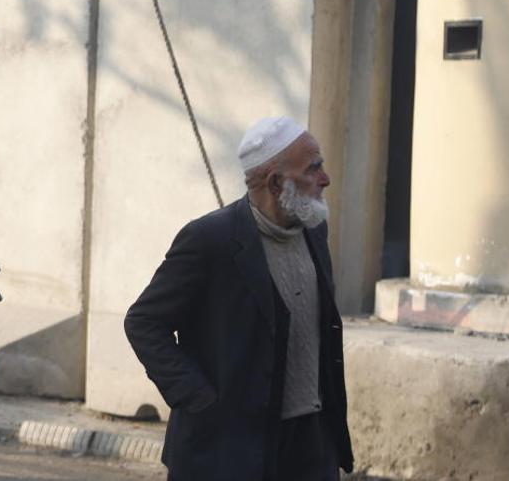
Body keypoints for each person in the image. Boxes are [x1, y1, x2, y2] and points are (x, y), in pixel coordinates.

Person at [124, 117, 354, 480]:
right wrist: (199, 399)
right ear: (276, 183)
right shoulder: (209, 240)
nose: (325, 178)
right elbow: (144, 322)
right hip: (230, 448)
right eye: (313, 168)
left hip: (310, 443)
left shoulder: (314, 228)